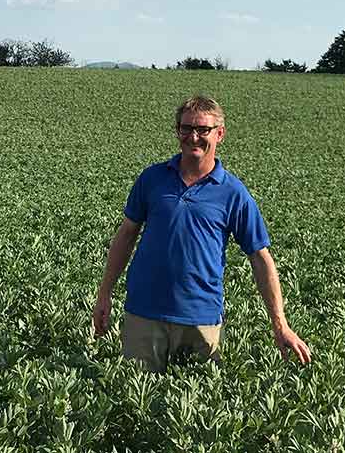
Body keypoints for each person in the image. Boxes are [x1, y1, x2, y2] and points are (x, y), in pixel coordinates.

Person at [92, 95, 311, 372]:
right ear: (177, 131)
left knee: (197, 405)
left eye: (203, 130)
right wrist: (104, 294)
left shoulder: (233, 193)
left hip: (200, 320)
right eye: (186, 129)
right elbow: (126, 235)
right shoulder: (152, 179)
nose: (193, 137)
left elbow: (260, 257)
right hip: (143, 315)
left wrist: (280, 324)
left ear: (220, 134)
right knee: (136, 402)